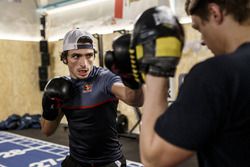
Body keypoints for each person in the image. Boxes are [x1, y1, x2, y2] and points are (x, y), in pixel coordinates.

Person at [133, 1, 250, 167]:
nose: (202, 40)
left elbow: (153, 158)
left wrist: (158, 70)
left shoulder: (215, 74)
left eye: (199, 28)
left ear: (215, 12)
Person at [40, 28, 144, 167]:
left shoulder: (105, 78)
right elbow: (47, 131)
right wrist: (49, 106)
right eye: (76, 56)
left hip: (108, 162)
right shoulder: (62, 86)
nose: (84, 64)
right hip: (77, 161)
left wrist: (131, 77)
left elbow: (134, 99)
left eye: (89, 55)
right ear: (65, 58)